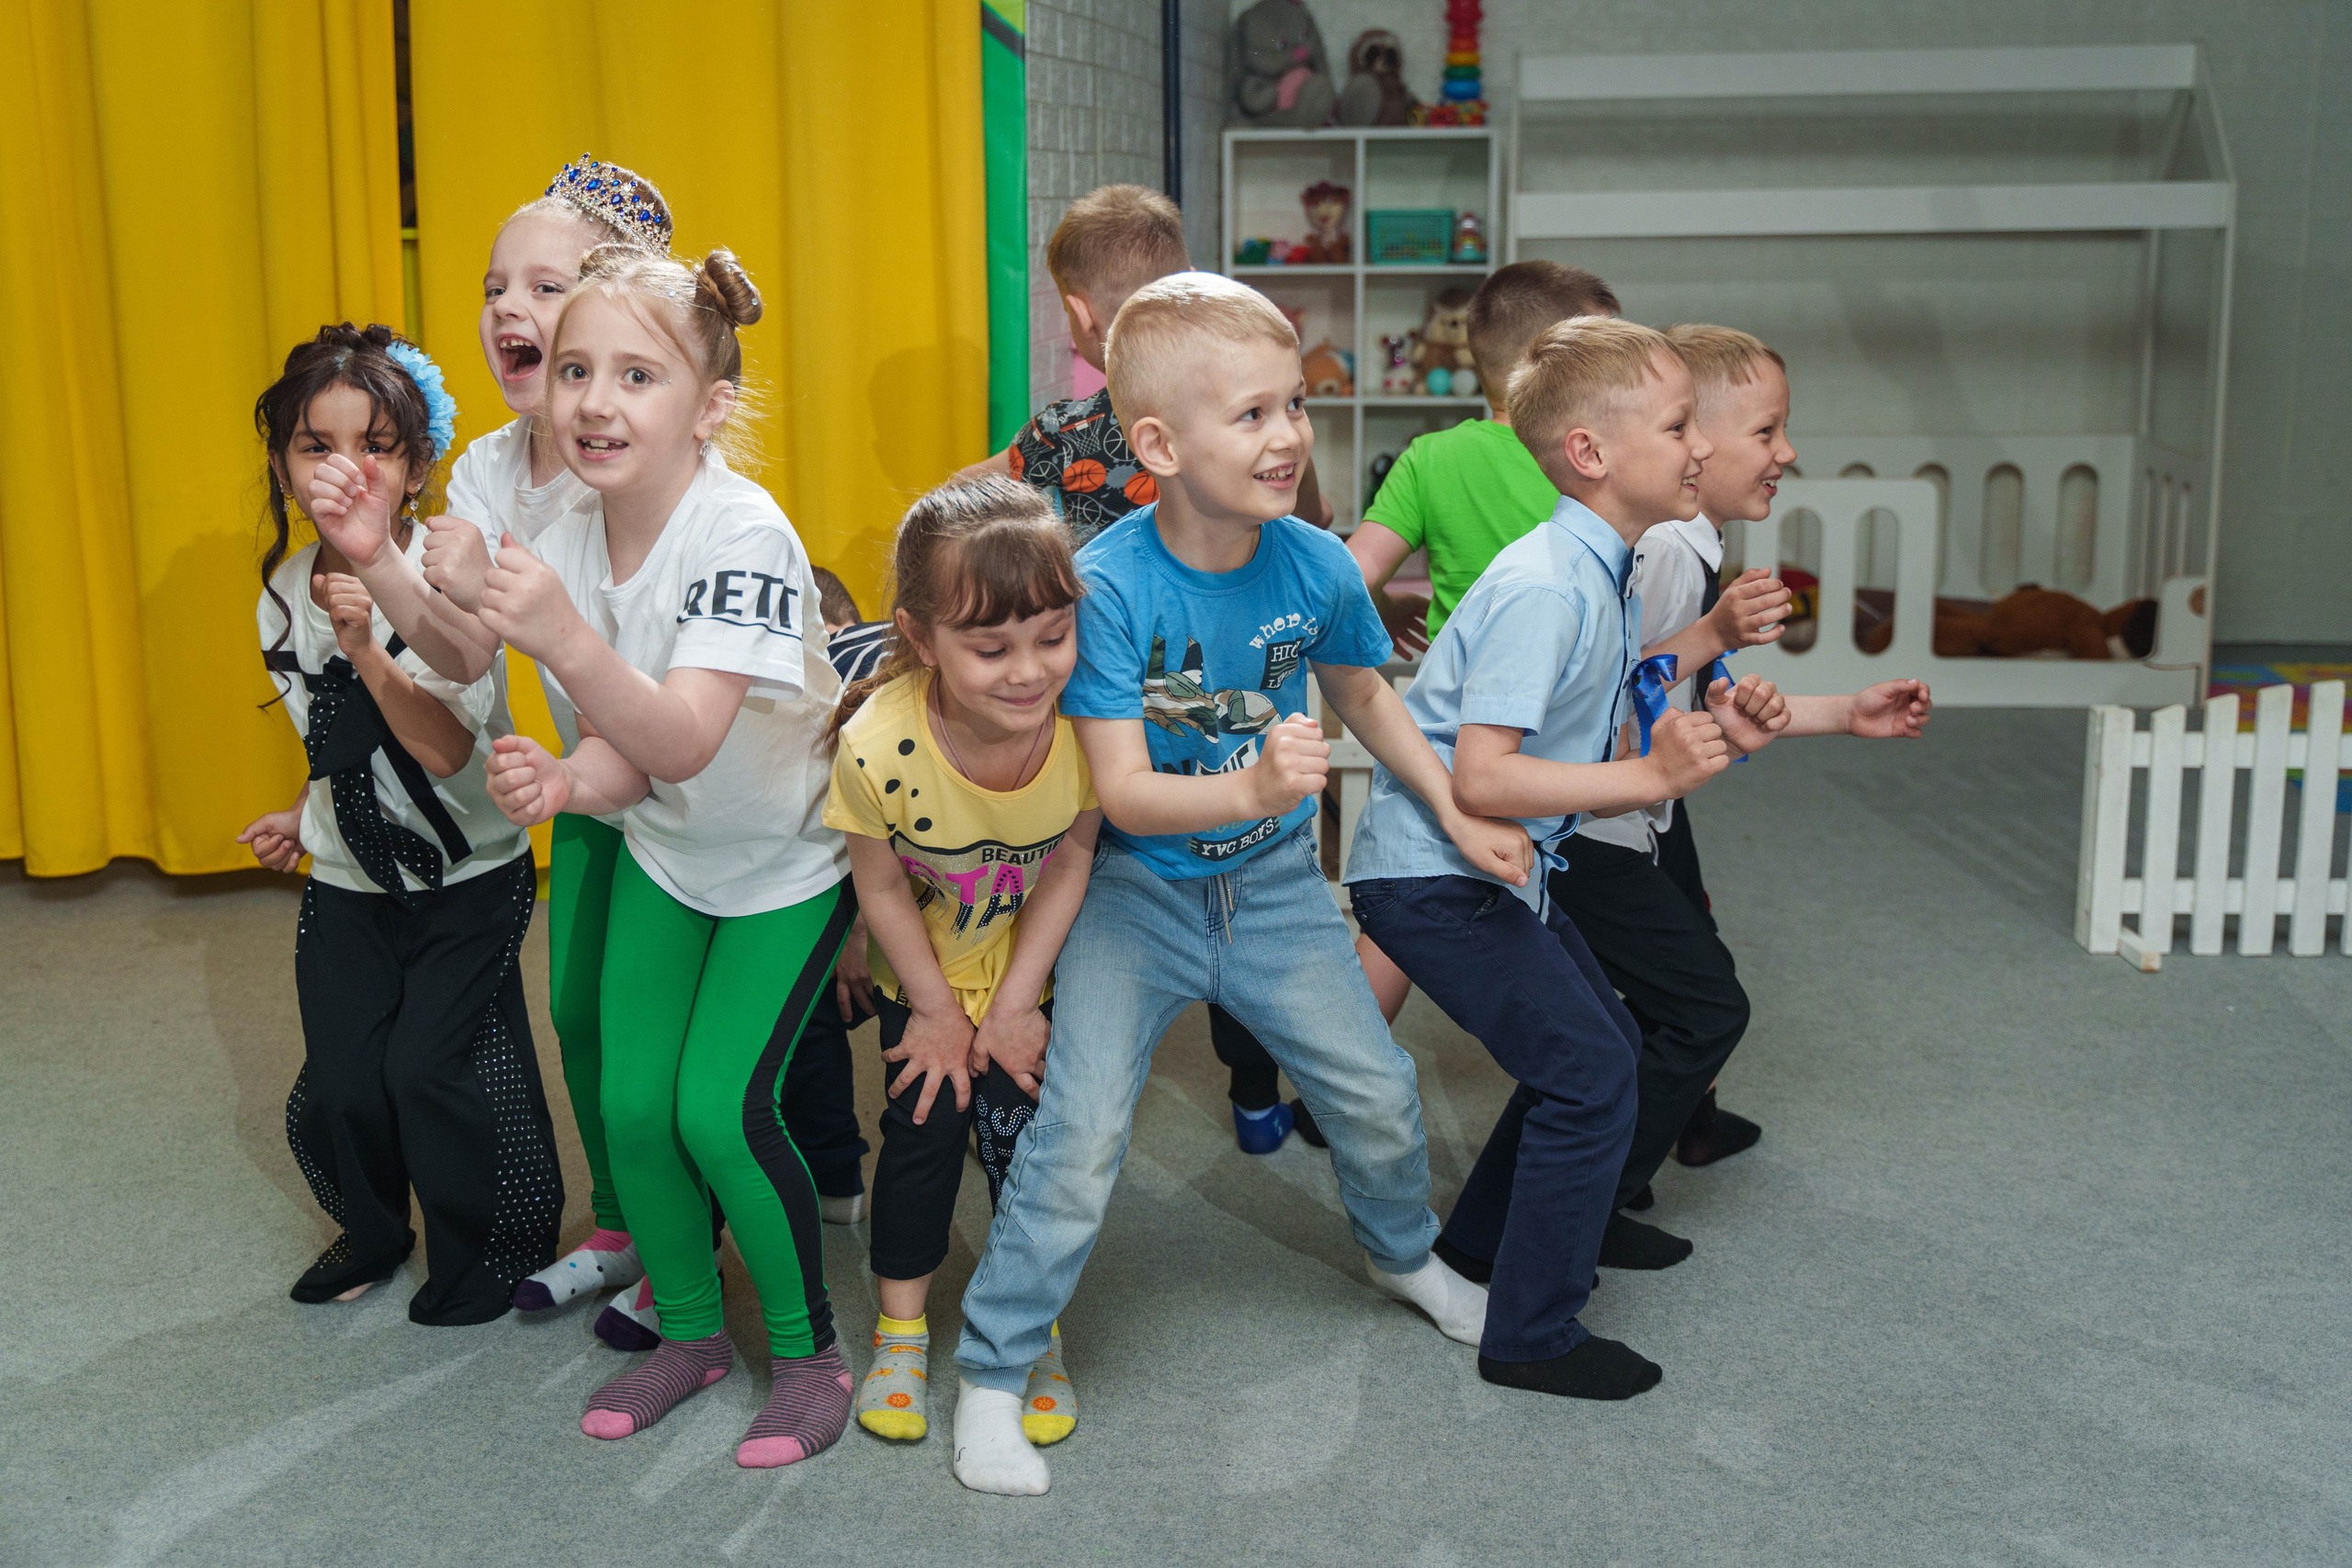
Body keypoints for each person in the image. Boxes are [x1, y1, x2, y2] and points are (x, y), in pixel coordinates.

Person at [950, 273, 1529, 1495]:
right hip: (1135, 900)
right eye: (1253, 414)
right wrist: (1256, 788)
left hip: (1273, 893)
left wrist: (1453, 808)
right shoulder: (1107, 586)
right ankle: (994, 1369)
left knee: (1377, 1092)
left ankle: (1401, 1256)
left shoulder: (1317, 563)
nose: (1287, 436)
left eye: (1294, 406)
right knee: (1079, 1134)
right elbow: (1122, 792)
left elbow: (1365, 690)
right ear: (1159, 446)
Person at [397, 245, 854, 1468]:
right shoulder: (570, 526)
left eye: (638, 376)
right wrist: (567, 784)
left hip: (784, 864)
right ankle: (691, 1334)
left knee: (719, 1110)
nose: (596, 402)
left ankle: (809, 1355)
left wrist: (557, 634)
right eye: (576, 371)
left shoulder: (743, 533)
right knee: (630, 1104)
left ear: (708, 408)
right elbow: (628, 756)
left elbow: (687, 735)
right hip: (665, 842)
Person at [1343, 316, 1788, 1400]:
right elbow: (1483, 778)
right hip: (1433, 879)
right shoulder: (1548, 584)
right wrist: (1649, 777)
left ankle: (1483, 1251)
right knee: (1589, 1071)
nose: (1699, 444)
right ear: (1589, 453)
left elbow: (1606, 699)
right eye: (1677, 426)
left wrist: (1713, 706)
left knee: (1606, 1048)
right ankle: (1529, 1335)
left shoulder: (1603, 568)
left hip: (1496, 871)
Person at [968, 183, 1332, 1154]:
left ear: (1078, 316)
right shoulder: (1251, 428)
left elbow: (974, 502)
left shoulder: (1057, 435)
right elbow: (1315, 522)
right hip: (1220, 709)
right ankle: (1253, 1095)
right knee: (1238, 899)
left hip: (1097, 718)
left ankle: (1048, 1063)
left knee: (1088, 884)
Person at [1553, 323, 1933, 1229]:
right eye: (1766, 432)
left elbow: (1700, 693)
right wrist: (1708, 652)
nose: (1787, 452)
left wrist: (1843, 712)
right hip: (1602, 823)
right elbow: (1617, 685)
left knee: (1695, 963)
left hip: (1649, 812)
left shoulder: (1692, 544)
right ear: (1697, 440)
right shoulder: (1667, 551)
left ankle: (1688, 1125)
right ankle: (1593, 1198)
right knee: (1700, 1002)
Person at [240, 323, 560, 1325]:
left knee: (431, 1067)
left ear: (417, 467)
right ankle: (373, 1231)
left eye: (375, 446)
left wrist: (367, 651)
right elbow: (327, 733)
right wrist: (305, 815)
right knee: (344, 1079)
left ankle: (492, 1246)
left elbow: (445, 750)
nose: (347, 469)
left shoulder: (446, 576)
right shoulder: (282, 591)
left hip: (470, 874)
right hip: (351, 875)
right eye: (317, 446)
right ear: (284, 467)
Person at [823, 479, 1100, 1451]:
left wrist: (1017, 1004)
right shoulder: (876, 747)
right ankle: (900, 1333)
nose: (1029, 672)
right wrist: (937, 1011)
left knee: (1028, 1151)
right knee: (923, 1138)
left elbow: (1070, 862)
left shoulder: (1088, 728)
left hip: (1030, 970)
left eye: (1052, 637)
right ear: (923, 637)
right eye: (991, 649)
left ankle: (1029, 1327)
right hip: (925, 976)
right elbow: (880, 887)